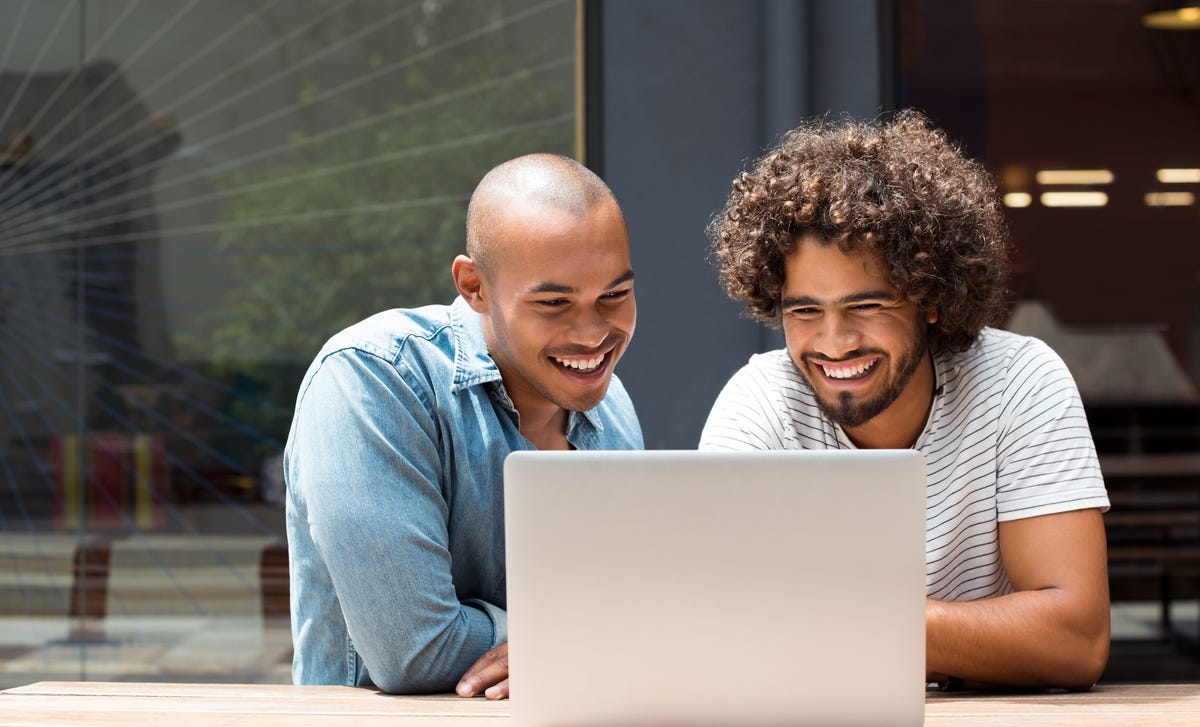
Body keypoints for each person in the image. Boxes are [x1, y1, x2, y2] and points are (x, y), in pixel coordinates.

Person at [699, 111, 1111, 690]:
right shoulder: (760, 404)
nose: (834, 343)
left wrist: (854, 626)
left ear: (930, 300)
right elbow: (720, 630)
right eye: (806, 311)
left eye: (867, 306)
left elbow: (1076, 640)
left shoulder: (1020, 383)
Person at [285, 153, 642, 699]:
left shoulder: (612, 407)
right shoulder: (374, 377)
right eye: (553, 303)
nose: (593, 334)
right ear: (474, 286)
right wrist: (580, 641)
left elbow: (630, 622)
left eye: (614, 296)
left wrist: (597, 641)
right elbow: (414, 651)